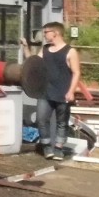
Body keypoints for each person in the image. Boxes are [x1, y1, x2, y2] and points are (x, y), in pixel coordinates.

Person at [19, 22, 82, 159]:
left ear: (55, 33)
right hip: (45, 92)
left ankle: (58, 148)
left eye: (46, 32)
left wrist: (71, 91)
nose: (44, 35)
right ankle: (47, 146)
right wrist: (25, 47)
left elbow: (76, 72)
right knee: (41, 119)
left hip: (63, 92)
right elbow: (33, 62)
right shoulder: (45, 49)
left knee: (62, 122)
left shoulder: (70, 51)